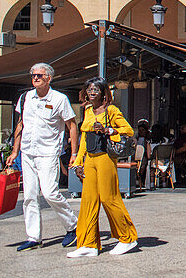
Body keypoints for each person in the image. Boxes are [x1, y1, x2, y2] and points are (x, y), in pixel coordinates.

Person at [6, 63, 78, 252]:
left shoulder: (59, 99)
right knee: (29, 196)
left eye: (39, 75)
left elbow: (72, 125)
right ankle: (33, 237)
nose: (35, 78)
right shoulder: (25, 97)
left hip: (48, 153)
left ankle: (73, 226)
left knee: (50, 192)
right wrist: (15, 151)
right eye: (33, 75)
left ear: (49, 78)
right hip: (28, 152)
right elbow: (21, 125)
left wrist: (74, 152)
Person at [67, 76, 139, 257]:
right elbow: (84, 138)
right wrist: (78, 162)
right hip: (90, 158)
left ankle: (127, 238)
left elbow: (128, 130)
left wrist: (109, 130)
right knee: (88, 200)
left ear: (103, 93)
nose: (91, 93)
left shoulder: (112, 110)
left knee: (109, 197)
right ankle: (88, 243)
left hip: (105, 157)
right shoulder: (88, 111)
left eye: (95, 90)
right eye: (89, 89)